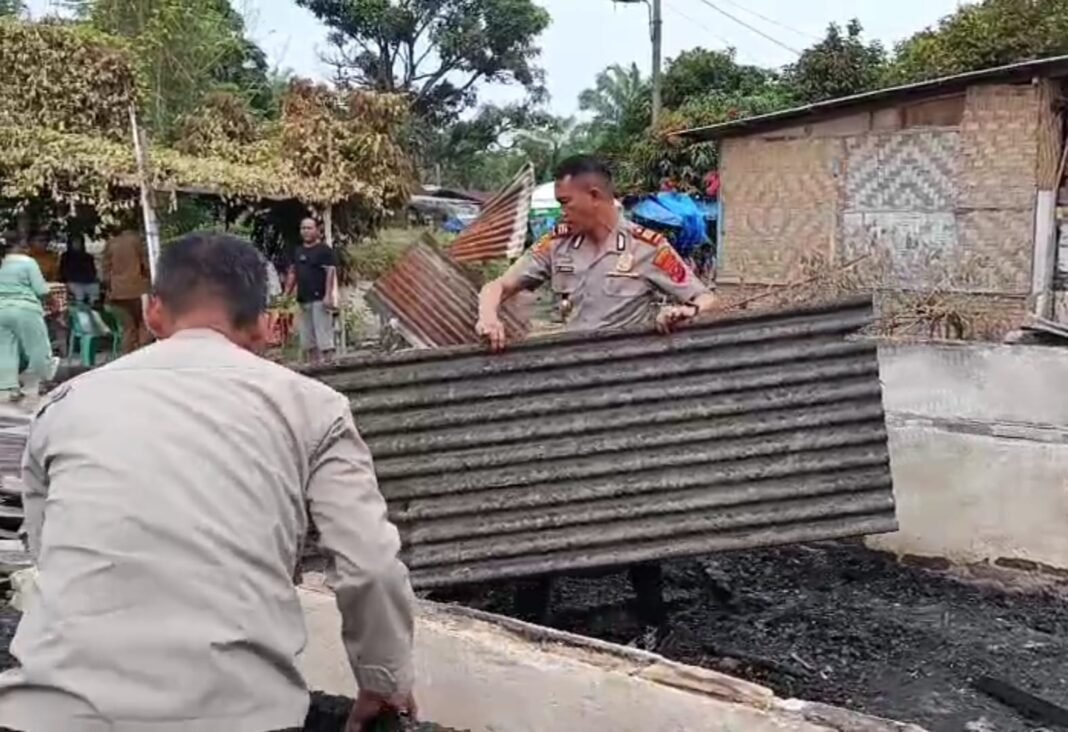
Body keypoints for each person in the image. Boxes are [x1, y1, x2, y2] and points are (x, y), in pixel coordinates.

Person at [0, 233, 416, 731]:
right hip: (236, 714)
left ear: (154, 313)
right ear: (265, 326)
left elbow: (49, 551)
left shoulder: (66, 403)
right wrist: (382, 682)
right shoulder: (313, 407)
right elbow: (369, 566)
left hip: (49, 713)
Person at [475, 155, 718, 651]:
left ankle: (654, 622)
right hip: (568, 402)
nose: (562, 213)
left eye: (566, 202)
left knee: (633, 508)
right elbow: (496, 285)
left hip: (626, 406)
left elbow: (707, 302)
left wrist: (680, 313)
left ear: (595, 196)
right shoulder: (558, 245)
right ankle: (529, 623)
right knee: (548, 502)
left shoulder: (650, 248)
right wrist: (489, 316)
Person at [0, 233, 58, 406]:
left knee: (5, 349)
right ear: (20, 245)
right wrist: (53, 303)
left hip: (1, 310)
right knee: (38, 346)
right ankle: (45, 381)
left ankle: (7, 388)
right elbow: (41, 290)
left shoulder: (2, 263)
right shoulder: (28, 262)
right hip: (26, 309)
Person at [286, 217, 338, 363]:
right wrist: (286, 294)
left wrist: (328, 295)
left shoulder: (324, 250)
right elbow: (293, 272)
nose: (306, 231)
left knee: (324, 337)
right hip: (304, 299)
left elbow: (330, 272)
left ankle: (330, 366)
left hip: (320, 298)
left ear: (316, 230)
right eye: (303, 228)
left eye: (309, 228)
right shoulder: (298, 251)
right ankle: (314, 368)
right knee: (308, 340)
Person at [102, 227, 150, 354]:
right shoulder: (137, 242)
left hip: (117, 293)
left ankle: (126, 356)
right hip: (137, 289)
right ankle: (142, 354)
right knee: (143, 324)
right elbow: (145, 264)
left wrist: (110, 289)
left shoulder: (111, 244)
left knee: (128, 329)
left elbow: (105, 271)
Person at [59, 233, 101, 305]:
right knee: (78, 293)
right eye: (75, 242)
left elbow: (93, 271)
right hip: (73, 282)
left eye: (79, 242)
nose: (77, 244)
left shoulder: (88, 257)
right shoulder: (66, 257)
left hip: (88, 281)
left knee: (94, 289)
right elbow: (63, 271)